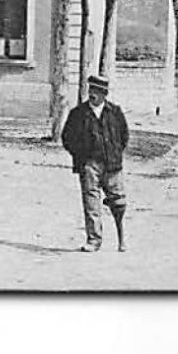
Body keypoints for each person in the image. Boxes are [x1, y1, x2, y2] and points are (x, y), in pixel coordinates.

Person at [60, 75, 130, 252]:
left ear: (104, 94)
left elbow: (124, 136)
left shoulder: (115, 112)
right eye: (91, 90)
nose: (92, 94)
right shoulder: (78, 114)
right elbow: (67, 138)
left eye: (97, 92)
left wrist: (115, 153)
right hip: (90, 165)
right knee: (91, 204)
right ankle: (94, 240)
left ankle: (122, 238)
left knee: (119, 202)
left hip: (112, 165)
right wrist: (81, 157)